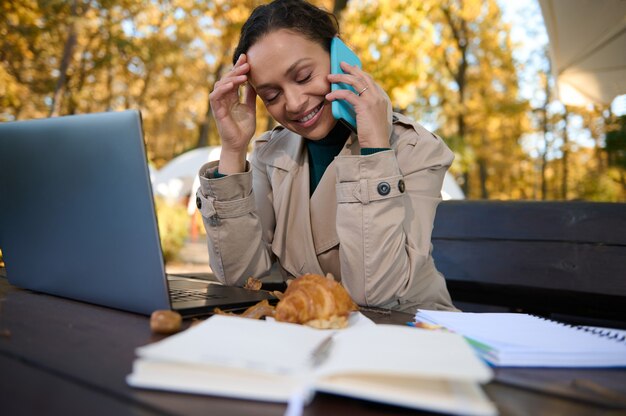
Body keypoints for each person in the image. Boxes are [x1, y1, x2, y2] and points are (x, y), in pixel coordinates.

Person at [196, 0, 457, 312]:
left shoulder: (415, 149)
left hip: (406, 337)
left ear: (340, 57)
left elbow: (373, 292)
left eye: (304, 76)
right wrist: (233, 150)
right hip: (311, 334)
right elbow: (240, 276)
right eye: (271, 95)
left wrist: (373, 144)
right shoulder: (272, 153)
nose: (292, 103)